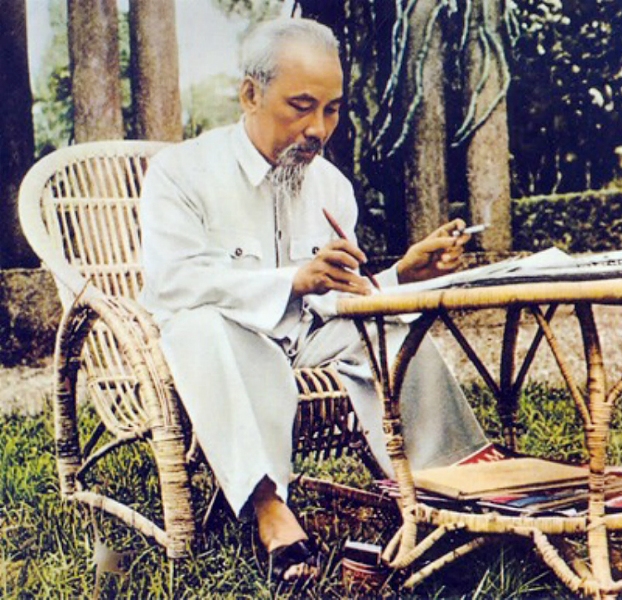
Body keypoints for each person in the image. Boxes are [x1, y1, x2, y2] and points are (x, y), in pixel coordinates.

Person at [139, 17, 487, 582]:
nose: (318, 129)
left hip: (306, 338)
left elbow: (335, 299)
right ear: (250, 94)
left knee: (396, 331)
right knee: (203, 327)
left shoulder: (331, 186)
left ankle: (450, 487)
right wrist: (292, 280)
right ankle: (269, 507)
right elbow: (173, 284)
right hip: (222, 342)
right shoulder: (180, 174)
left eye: (332, 109)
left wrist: (400, 274)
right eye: (301, 107)